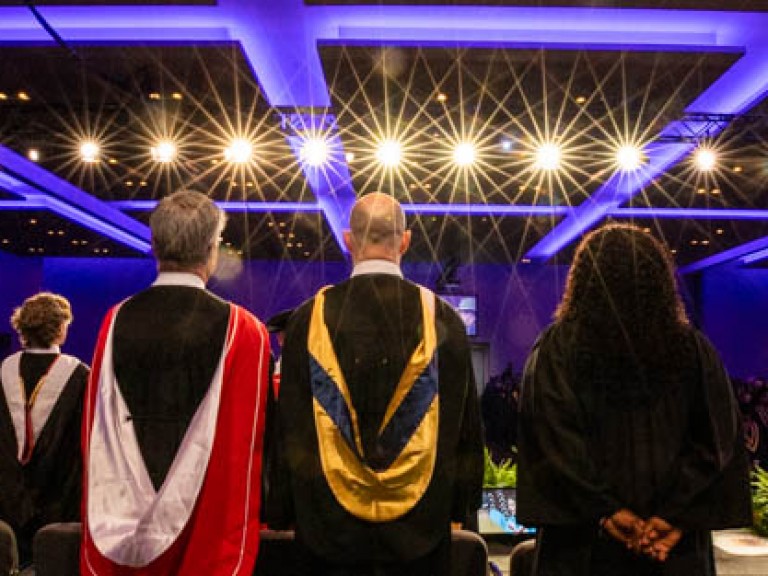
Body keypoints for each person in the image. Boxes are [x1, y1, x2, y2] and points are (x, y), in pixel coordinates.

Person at [266, 192, 484, 575]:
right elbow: (465, 426)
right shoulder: (445, 321)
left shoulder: (307, 321)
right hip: (420, 531)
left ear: (348, 240)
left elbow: (291, 426)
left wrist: (283, 510)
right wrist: (460, 509)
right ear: (405, 240)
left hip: (325, 533)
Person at [517, 223, 752, 576]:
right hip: (671, 551)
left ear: (583, 279)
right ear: (660, 279)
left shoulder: (558, 348)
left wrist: (606, 511)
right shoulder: (693, 349)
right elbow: (715, 441)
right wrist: (671, 519)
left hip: (583, 548)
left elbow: (555, 440)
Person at [81, 190, 270, 575]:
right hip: (208, 535)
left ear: (154, 245)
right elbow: (249, 444)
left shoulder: (115, 320)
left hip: (117, 523)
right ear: (211, 248)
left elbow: (95, 430)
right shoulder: (244, 330)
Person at [0, 292, 88, 567]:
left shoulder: (3, 371)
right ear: (61, 329)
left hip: (7, 498)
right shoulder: (80, 376)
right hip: (59, 501)